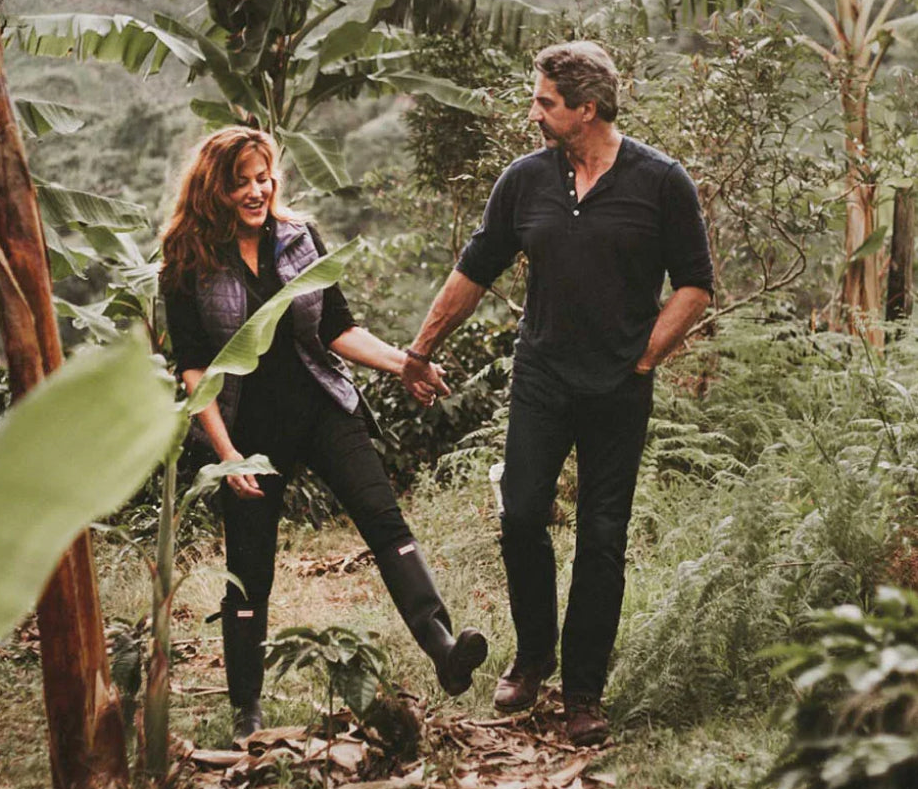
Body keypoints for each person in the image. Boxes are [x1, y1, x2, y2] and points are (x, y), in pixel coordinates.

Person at [401, 42, 713, 746]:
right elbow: (474, 268)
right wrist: (419, 350)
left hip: (617, 389)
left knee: (601, 539)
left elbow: (695, 281)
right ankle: (533, 653)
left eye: (544, 101)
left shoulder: (660, 181)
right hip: (541, 374)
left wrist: (645, 357)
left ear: (586, 108)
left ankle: (583, 692)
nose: (533, 112)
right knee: (518, 514)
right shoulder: (524, 180)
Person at [159, 127, 488, 740]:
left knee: (383, 517)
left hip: (322, 406)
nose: (258, 191)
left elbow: (336, 327)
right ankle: (246, 709)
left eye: (264, 178)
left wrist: (406, 361)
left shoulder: (298, 237)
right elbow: (194, 367)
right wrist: (228, 457)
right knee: (250, 568)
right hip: (246, 432)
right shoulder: (187, 260)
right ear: (215, 189)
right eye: (242, 182)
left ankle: (443, 647)